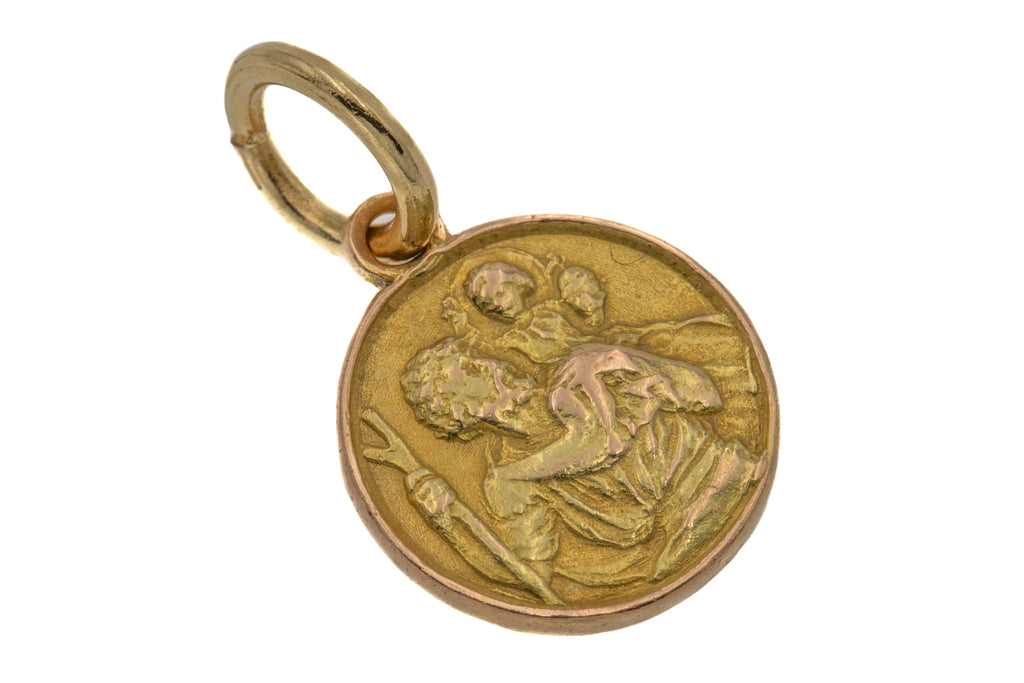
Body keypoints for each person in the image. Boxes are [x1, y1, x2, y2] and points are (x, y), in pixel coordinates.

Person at [387, 337, 767, 599]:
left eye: (480, 360)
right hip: (678, 548)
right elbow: (532, 584)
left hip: (730, 473)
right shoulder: (507, 483)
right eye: (470, 371)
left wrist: (627, 364)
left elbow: (705, 393)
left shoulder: (578, 373)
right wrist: (447, 519)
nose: (492, 364)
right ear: (461, 414)